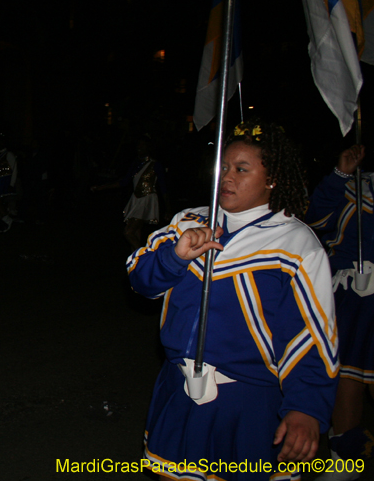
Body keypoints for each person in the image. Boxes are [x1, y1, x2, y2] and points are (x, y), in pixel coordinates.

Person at [127, 121, 338, 479]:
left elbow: (311, 336)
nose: (227, 177)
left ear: (272, 179)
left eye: (241, 169)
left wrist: (306, 407)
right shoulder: (188, 221)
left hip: (247, 402)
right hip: (178, 388)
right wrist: (175, 257)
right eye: (224, 167)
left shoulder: (295, 245)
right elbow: (140, 281)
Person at [305, 144, 374, 481]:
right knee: (347, 377)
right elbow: (316, 218)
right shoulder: (354, 186)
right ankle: (345, 462)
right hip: (352, 296)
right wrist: (341, 174)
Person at [91, 136, 169, 249]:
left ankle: (144, 257)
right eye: (138, 145)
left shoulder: (155, 165)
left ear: (149, 148)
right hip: (136, 199)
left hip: (147, 199)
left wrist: (168, 209)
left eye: (142, 145)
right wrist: (101, 188)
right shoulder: (136, 164)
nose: (139, 148)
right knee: (136, 232)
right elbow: (124, 182)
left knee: (128, 232)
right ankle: (136, 262)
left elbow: (163, 187)